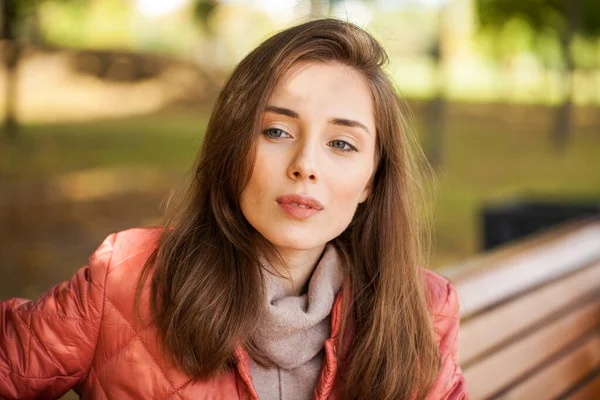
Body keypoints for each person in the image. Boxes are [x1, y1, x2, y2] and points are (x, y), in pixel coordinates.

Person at [0, 19, 467, 399]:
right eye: (277, 132)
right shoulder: (127, 281)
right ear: (232, 147)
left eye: (342, 143)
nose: (305, 166)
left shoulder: (421, 311)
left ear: (371, 180)